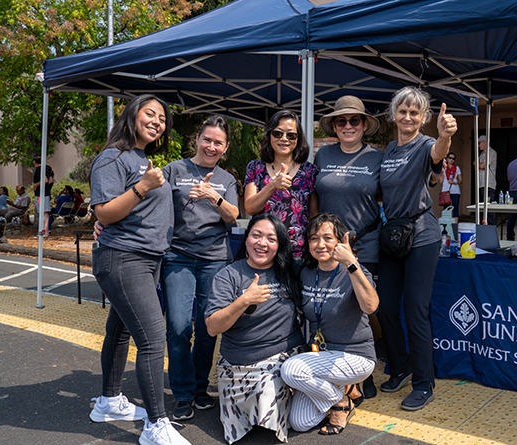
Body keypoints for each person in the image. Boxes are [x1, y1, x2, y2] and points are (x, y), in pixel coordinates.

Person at [88, 94, 189, 445]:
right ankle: (156, 425)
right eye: (151, 113)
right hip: (124, 258)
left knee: (119, 333)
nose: (158, 121)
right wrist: (142, 187)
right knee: (152, 338)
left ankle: (109, 401)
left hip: (145, 259)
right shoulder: (112, 157)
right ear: (132, 115)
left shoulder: (140, 157)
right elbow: (104, 212)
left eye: (162, 118)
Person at [377, 86, 457, 411]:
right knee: (384, 308)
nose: (408, 117)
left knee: (415, 310)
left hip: (422, 235)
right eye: (403, 111)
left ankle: (424, 384)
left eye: (415, 112)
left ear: (423, 118)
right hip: (393, 236)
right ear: (394, 114)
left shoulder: (425, 144)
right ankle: (401, 366)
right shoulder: (389, 150)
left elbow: (438, 153)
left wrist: (445, 135)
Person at [161, 116, 239, 421]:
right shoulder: (175, 170)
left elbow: (233, 216)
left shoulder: (227, 179)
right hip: (178, 256)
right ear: (197, 139)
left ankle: (198, 388)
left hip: (215, 259)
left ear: (226, 147)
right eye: (207, 139)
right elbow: (155, 207)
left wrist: (213, 196)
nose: (211, 146)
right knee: (179, 327)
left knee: (209, 328)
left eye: (218, 142)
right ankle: (181, 393)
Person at [205, 214, 303, 444]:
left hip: (283, 359)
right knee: (241, 424)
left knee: (273, 398)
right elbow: (212, 327)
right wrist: (244, 301)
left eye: (271, 238)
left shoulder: (290, 271)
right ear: (246, 238)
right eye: (256, 235)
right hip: (236, 365)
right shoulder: (228, 275)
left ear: (279, 245)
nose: (262, 243)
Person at [281, 213, 379, 435]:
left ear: (340, 241)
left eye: (328, 237)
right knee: (300, 422)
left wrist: (351, 263)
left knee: (291, 369)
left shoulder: (354, 271)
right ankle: (344, 393)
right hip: (321, 357)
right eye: (314, 238)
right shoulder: (306, 272)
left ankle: (340, 400)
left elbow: (371, 307)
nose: (320, 244)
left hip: (354, 357)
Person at [313, 95, 382, 397]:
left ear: (365, 124)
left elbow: (389, 196)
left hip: (365, 244)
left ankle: (365, 370)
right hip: (327, 247)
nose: (348, 125)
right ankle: (340, 369)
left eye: (355, 120)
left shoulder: (376, 157)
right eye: (342, 120)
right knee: (334, 308)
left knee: (367, 311)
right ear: (334, 125)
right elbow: (313, 195)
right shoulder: (323, 155)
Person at [243, 110, 318, 257]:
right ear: (269, 135)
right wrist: (272, 186)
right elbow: (250, 208)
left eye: (291, 135)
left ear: (298, 139)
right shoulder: (255, 168)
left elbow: (313, 217)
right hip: (262, 251)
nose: (284, 139)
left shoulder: (310, 171)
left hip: (297, 254)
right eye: (278, 133)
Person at [477, 135, 497, 225]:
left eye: (479, 143)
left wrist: (475, 163)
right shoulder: (482, 154)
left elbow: (482, 166)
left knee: (489, 208)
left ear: (484, 142)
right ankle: (483, 227)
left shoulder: (490, 152)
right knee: (482, 208)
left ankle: (491, 228)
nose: (478, 145)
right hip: (482, 183)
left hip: (488, 184)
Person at [33, 156, 55, 237]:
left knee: (43, 213)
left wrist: (36, 185)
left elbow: (45, 180)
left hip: (40, 194)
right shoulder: (46, 169)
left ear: (34, 161)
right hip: (45, 193)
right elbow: (50, 181)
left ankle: (45, 232)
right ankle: (46, 231)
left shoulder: (39, 169)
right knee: (45, 213)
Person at [441, 152, 462, 218]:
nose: (451, 159)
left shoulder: (457, 168)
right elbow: (441, 181)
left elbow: (460, 180)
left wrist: (454, 182)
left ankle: (455, 225)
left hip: (455, 190)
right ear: (447, 158)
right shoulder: (444, 167)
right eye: (450, 158)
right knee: (446, 208)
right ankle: (446, 225)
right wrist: (441, 170)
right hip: (445, 190)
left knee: (455, 207)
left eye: (453, 158)